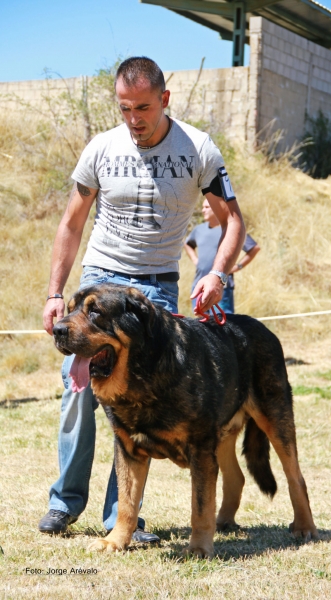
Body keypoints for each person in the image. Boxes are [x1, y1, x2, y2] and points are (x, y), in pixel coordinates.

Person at [39, 57, 246, 539]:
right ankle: (65, 502)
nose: (134, 118)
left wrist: (218, 273)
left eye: (144, 108)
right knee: (77, 392)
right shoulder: (101, 148)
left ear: (165, 100)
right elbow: (71, 223)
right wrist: (56, 293)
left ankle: (120, 519)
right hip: (98, 280)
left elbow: (233, 220)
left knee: (144, 403)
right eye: (125, 107)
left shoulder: (198, 149)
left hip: (155, 289)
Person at [185, 199, 260, 314]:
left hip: (221, 288)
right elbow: (187, 244)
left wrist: (238, 266)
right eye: (202, 207)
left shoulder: (231, 230)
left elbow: (254, 248)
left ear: (216, 208)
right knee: (202, 328)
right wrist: (195, 260)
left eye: (206, 207)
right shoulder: (198, 230)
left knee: (222, 326)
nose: (202, 210)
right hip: (199, 287)